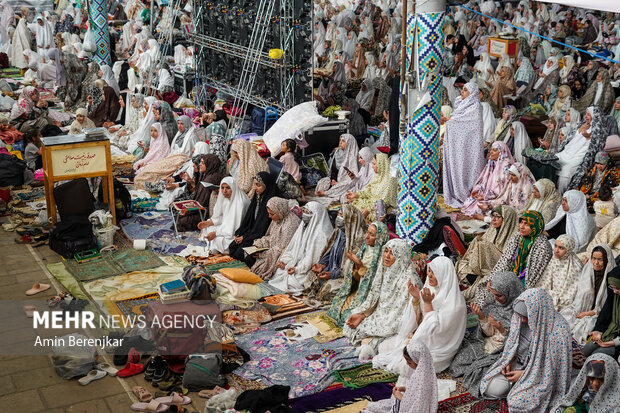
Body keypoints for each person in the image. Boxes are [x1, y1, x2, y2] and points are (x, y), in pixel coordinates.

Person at [479, 289, 572, 412]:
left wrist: (525, 375)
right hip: (519, 366)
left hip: (540, 377)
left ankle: (517, 389)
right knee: (489, 388)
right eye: (521, 316)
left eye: (525, 316)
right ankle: (516, 388)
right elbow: (512, 344)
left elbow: (554, 373)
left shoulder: (559, 333)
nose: (522, 320)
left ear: (536, 312)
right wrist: (508, 360)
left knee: (516, 403)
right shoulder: (519, 318)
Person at [450, 271, 525, 397]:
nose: (495, 298)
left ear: (510, 292)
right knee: (458, 361)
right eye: (494, 294)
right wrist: (482, 317)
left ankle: (481, 373)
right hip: (488, 343)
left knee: (493, 383)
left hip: (503, 351)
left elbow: (515, 342)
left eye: (499, 296)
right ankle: (478, 371)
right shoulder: (494, 303)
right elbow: (488, 333)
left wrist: (501, 330)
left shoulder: (521, 310)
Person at [343, 239, 415, 358]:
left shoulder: (408, 279)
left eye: (392, 253)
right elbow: (376, 298)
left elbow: (401, 313)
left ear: (400, 256)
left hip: (393, 321)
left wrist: (381, 325)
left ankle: (373, 340)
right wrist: (363, 315)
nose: (386, 256)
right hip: (380, 315)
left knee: (376, 343)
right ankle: (371, 339)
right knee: (350, 324)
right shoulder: (386, 270)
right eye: (386, 251)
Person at [477, 211, 552, 303]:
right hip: (510, 276)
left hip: (526, 283)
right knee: (486, 290)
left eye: (526, 224)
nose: (521, 226)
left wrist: (513, 289)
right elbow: (505, 260)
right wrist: (493, 278)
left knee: (507, 300)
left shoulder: (542, 246)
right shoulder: (518, 237)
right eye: (521, 222)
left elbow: (533, 275)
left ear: (535, 226)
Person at [328, 221, 389, 326]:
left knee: (347, 317)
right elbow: (356, 278)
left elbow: (375, 282)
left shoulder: (384, 256)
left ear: (379, 238)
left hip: (371, 295)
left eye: (372, 235)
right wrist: (355, 266)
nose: (367, 237)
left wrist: (359, 264)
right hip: (359, 289)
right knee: (336, 307)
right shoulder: (365, 248)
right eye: (367, 232)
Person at [306, 204, 367, 302]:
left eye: (341, 215)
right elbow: (330, 250)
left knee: (328, 291)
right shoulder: (339, 232)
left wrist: (333, 274)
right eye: (338, 214)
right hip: (332, 270)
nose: (338, 218)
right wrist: (322, 264)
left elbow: (350, 267)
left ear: (350, 218)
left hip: (346, 276)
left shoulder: (358, 238)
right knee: (311, 279)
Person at [268, 202, 333, 293]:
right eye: (304, 211)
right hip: (297, 261)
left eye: (308, 212)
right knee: (279, 272)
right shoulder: (304, 225)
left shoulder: (321, 234)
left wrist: (297, 269)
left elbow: (312, 259)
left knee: (294, 280)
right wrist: (285, 261)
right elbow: (293, 247)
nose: (305, 215)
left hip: (309, 267)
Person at [458, 206, 519, 300]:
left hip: (497, 270)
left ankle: (459, 297)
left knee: (483, 284)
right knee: (461, 267)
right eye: (492, 216)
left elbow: (506, 261)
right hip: (481, 268)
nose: (493, 219)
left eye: (497, 216)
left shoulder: (513, 238)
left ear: (507, 219)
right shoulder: (491, 230)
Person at [560, 244, 616, 345]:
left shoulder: (611, 278)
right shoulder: (588, 270)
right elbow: (578, 298)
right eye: (594, 258)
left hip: (597, 315)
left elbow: (606, 308)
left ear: (607, 260)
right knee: (563, 319)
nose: (596, 263)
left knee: (586, 328)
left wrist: (587, 314)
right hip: (580, 309)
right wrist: (581, 312)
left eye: (600, 259)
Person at [362, 340, 438, 413]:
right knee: (376, 406)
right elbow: (414, 390)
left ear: (419, 361)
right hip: (407, 403)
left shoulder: (424, 381)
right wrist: (403, 389)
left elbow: (417, 407)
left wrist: (401, 397)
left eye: (409, 362)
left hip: (413, 408)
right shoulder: (420, 373)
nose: (407, 364)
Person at [443, 82, 485, 207]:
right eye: (462, 89)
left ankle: (468, 192)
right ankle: (457, 191)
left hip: (471, 145)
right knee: (458, 165)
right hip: (460, 144)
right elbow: (457, 121)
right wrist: (450, 121)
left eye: (466, 90)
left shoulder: (475, 107)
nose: (462, 92)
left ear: (472, 93)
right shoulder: (462, 105)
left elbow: (468, 125)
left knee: (468, 167)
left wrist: (450, 121)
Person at [248, 197, 301, 280]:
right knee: (249, 256)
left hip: (281, 256)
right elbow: (271, 237)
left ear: (280, 211)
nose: (269, 216)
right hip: (273, 250)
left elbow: (283, 249)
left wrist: (262, 255)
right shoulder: (279, 218)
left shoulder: (290, 225)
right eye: (269, 213)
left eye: (272, 214)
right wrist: (260, 244)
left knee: (258, 266)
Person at [228, 172, 277, 262]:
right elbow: (249, 219)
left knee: (240, 253)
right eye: (254, 184)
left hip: (260, 237)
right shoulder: (258, 196)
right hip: (251, 234)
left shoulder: (271, 201)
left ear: (266, 186)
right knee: (232, 247)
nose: (254, 188)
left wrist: (245, 238)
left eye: (258, 185)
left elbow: (262, 229)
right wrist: (241, 234)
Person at [461, 141, 515, 217]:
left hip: (498, 197)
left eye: (495, 150)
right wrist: (477, 191)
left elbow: (503, 188)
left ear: (501, 151)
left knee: (480, 207)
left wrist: (485, 196)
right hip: (487, 194)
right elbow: (482, 179)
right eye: (491, 150)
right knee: (469, 202)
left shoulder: (506, 166)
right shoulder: (491, 163)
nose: (491, 152)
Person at [197, 177, 250, 254]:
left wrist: (215, 234)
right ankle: (213, 245)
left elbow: (233, 228)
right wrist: (210, 223)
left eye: (228, 188)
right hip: (227, 229)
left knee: (221, 241)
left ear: (233, 188)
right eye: (222, 188)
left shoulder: (240, 203)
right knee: (208, 227)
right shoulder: (227, 198)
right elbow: (225, 217)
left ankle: (215, 247)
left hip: (235, 234)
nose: (224, 191)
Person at [551, 354, 620, 413]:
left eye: (601, 379)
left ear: (610, 377)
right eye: (591, 378)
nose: (595, 383)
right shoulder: (585, 394)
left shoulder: (616, 401)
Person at [537, 234, 584, 312]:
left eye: (561, 248)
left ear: (568, 249)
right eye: (555, 246)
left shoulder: (575, 267)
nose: (556, 250)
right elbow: (545, 282)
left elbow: (569, 296)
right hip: (549, 296)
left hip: (562, 303)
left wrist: (552, 297)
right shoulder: (554, 259)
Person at [176, 154, 223, 232]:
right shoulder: (207, 175)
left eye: (203, 163)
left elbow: (202, 202)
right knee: (178, 214)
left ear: (210, 165)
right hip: (200, 209)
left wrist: (187, 212)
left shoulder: (211, 179)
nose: (199, 164)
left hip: (205, 212)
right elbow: (197, 194)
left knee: (181, 221)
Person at [582, 267, 620, 358]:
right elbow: (605, 315)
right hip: (610, 333)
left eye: (618, 288)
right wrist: (598, 331)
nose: (614, 291)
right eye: (612, 288)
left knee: (597, 355)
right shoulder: (614, 295)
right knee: (586, 350)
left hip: (617, 339)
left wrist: (608, 344)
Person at [348, 153, 397, 220]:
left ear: (381, 165)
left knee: (362, 214)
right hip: (372, 203)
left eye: (374, 164)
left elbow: (382, 202)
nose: (372, 166)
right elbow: (369, 191)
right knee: (354, 205)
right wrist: (357, 195)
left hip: (383, 209)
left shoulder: (390, 181)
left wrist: (368, 209)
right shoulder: (378, 176)